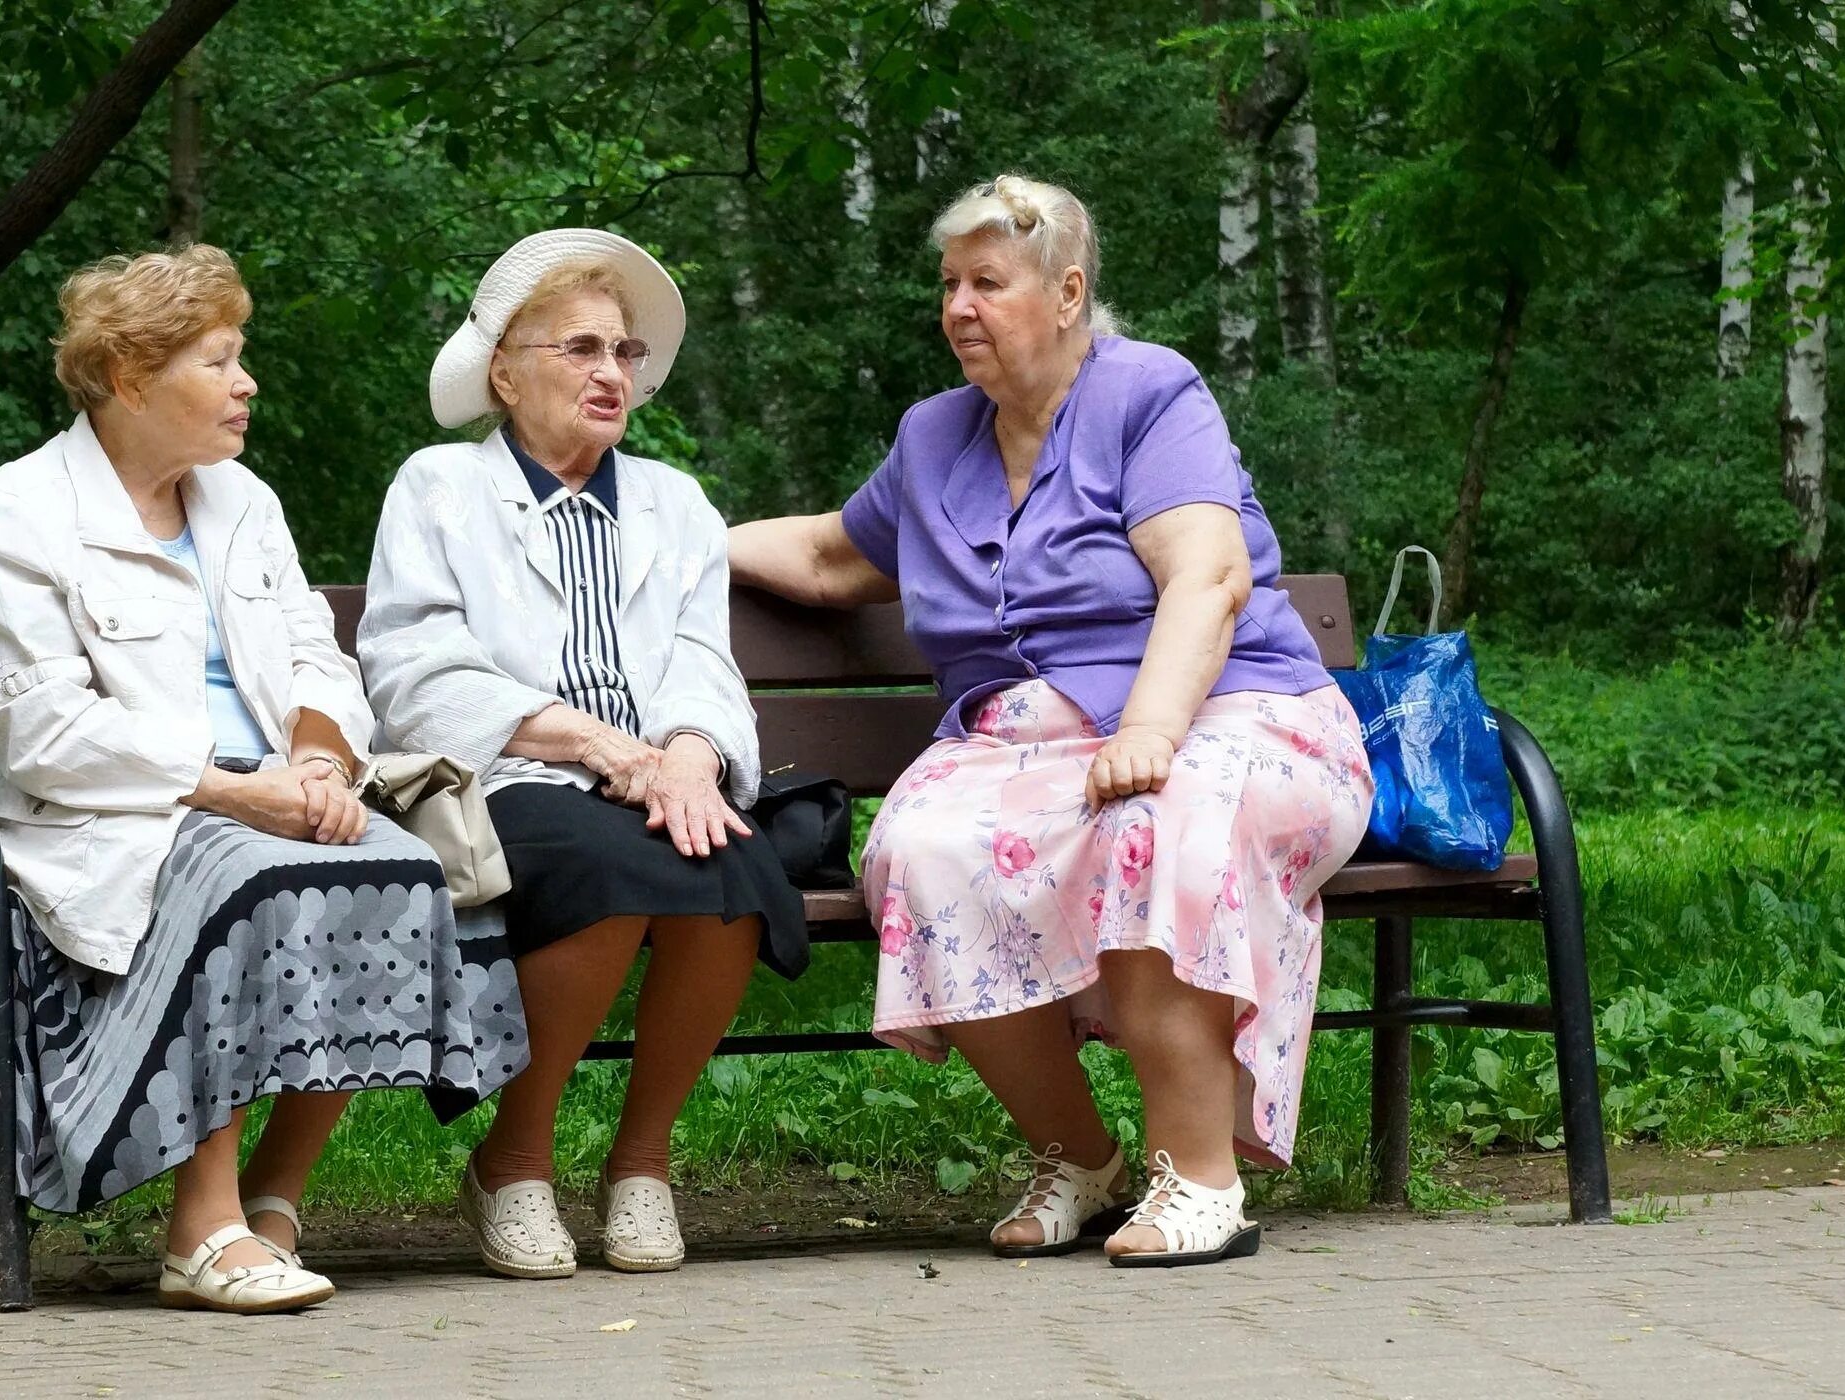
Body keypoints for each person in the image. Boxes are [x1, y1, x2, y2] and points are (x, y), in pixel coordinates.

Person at [728, 176, 1372, 1268]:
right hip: (1023, 747)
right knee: (920, 849)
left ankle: (1198, 1175)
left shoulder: (1149, 396)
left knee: (1154, 822)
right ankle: (1079, 1155)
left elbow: (1207, 576)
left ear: (1068, 291)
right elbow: (839, 558)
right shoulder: (936, 436)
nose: (959, 307)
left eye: (989, 282)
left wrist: (1155, 729)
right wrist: (671, 533)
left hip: (1233, 710)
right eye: (948, 285)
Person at [0, 245, 524, 1312]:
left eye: (240, 355)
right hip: (97, 813)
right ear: (128, 376)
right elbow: (40, 733)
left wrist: (314, 760)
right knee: (248, 875)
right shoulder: (24, 515)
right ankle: (200, 1229)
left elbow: (317, 660)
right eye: (219, 358)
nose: (246, 381)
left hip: (263, 789)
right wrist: (231, 788)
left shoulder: (241, 500)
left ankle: (271, 1198)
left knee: (396, 864)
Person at [360, 229, 807, 1279]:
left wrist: (692, 754)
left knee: (738, 868)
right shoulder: (438, 489)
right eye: (581, 349)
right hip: (504, 775)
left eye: (625, 352)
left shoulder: (674, 504)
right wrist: (601, 745)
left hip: (656, 778)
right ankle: (514, 1158)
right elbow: (415, 670)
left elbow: (704, 660)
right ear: (504, 371)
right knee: (610, 865)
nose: (612, 372)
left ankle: (640, 1162)